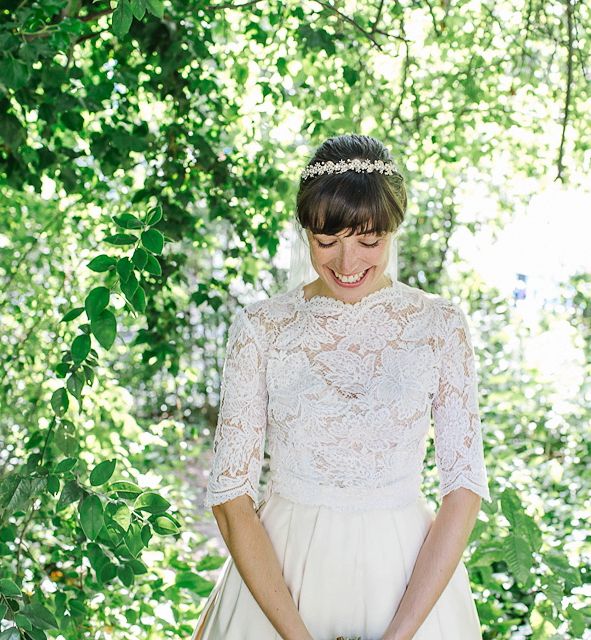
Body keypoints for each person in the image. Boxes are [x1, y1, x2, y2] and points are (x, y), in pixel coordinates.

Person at [192, 134, 490, 640]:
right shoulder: (262, 328)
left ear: (393, 231)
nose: (347, 265)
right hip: (280, 581)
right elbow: (229, 495)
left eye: (368, 242)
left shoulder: (440, 325)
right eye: (326, 242)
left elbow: (463, 488)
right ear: (305, 231)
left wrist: (400, 636)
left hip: (406, 581)